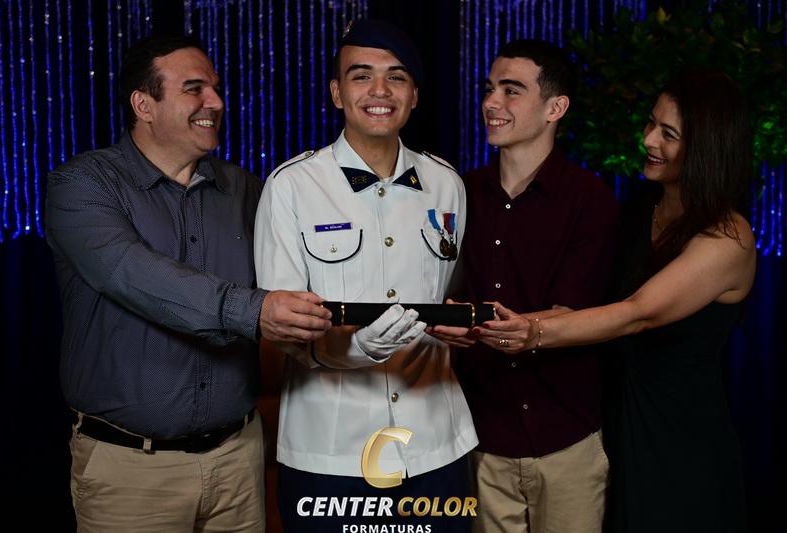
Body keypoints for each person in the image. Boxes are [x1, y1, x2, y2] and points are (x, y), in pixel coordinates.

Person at [45, 34, 332, 532]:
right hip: (131, 471)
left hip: (238, 460)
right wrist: (255, 311)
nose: (215, 102)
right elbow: (134, 274)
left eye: (216, 88)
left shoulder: (245, 190)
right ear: (144, 105)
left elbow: (315, 266)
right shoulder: (82, 185)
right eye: (194, 89)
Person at [448, 70, 756, 532]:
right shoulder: (640, 207)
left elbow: (637, 314)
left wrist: (531, 332)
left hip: (678, 432)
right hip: (613, 417)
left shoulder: (729, 237)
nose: (648, 139)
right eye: (651, 123)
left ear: (708, 147)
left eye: (668, 134)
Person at [253, 19, 477, 532]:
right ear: (337, 93)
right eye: (361, 76)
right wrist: (358, 347)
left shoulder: (446, 184)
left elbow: (454, 296)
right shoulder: (291, 186)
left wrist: (464, 327)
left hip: (436, 445)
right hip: (331, 451)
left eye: (397, 77)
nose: (380, 90)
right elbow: (283, 330)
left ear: (414, 95)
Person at [430, 39, 619, 532]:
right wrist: (445, 320)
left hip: (567, 439)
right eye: (489, 88)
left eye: (511, 90)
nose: (491, 102)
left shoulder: (591, 200)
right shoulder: (459, 194)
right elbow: (442, 293)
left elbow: (576, 314)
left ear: (556, 108)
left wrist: (491, 326)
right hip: (481, 437)